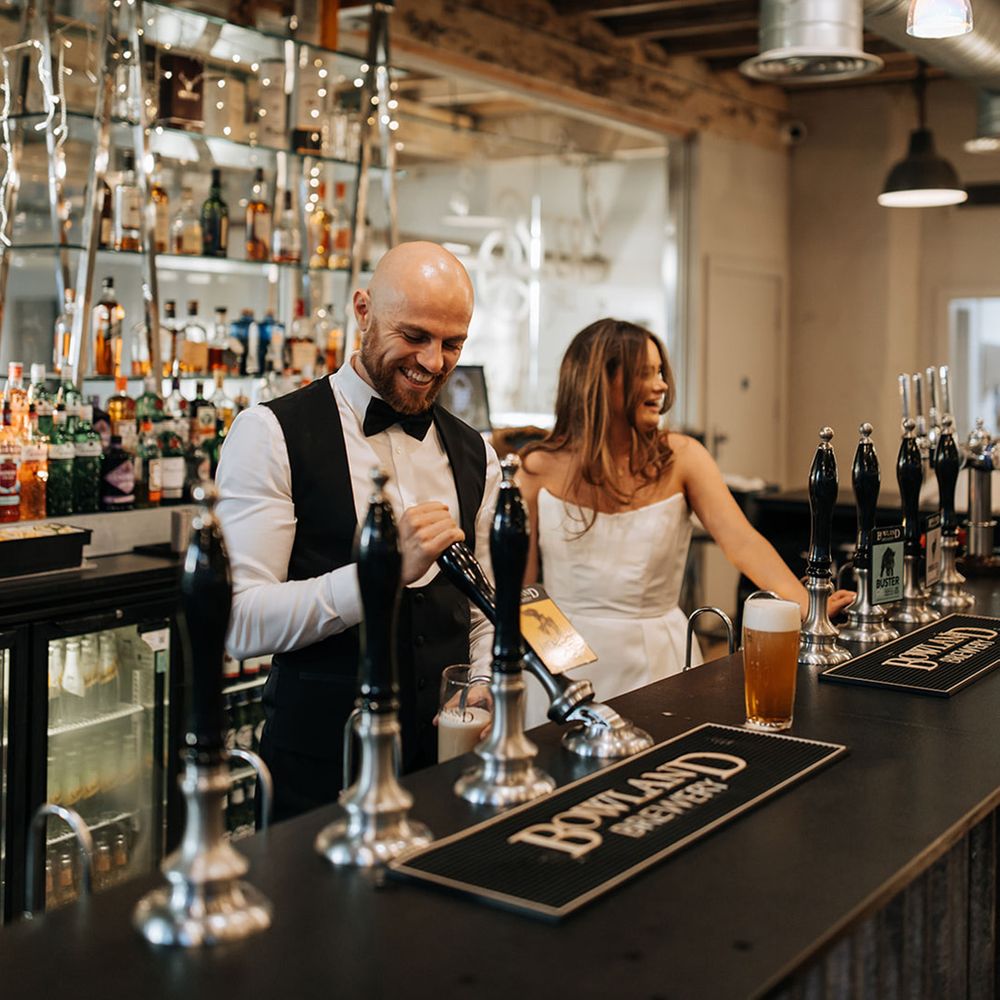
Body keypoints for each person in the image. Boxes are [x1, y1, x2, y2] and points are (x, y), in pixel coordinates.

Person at [216, 242, 501, 821]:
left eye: (453, 343)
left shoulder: (477, 455)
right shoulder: (269, 434)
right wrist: (380, 573)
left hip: (445, 773)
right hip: (320, 778)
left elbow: (482, 613)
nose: (433, 361)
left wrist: (483, 683)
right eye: (415, 336)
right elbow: (239, 622)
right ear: (363, 310)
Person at [517, 318, 854, 727]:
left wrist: (809, 608)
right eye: (645, 373)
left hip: (659, 659)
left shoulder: (682, 457)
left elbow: (742, 543)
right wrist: (533, 673)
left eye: (660, 372)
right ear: (597, 382)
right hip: (562, 668)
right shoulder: (536, 469)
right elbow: (525, 591)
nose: (660, 385)